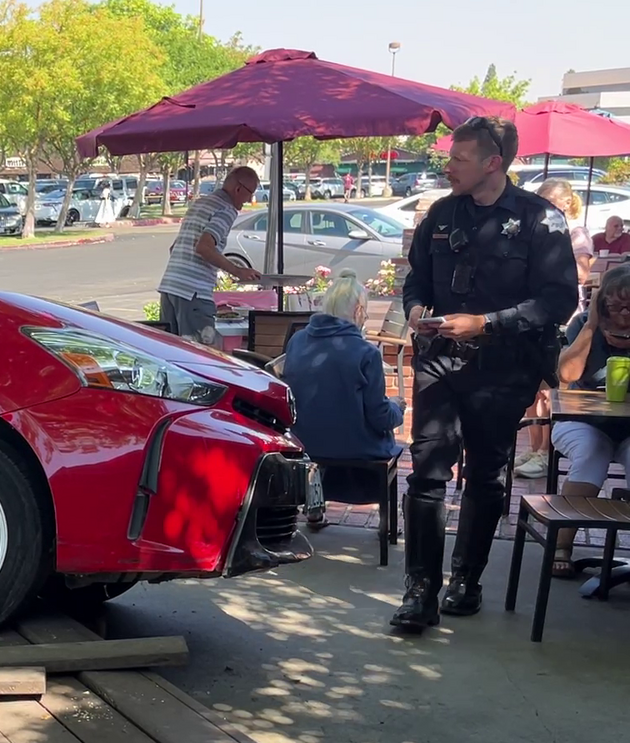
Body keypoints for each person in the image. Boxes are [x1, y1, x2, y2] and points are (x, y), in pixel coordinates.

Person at [391, 116, 579, 634]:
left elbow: (559, 300)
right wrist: (414, 307)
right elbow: (417, 279)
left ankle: (466, 580)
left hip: (503, 369)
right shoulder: (441, 214)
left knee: (486, 476)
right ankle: (420, 590)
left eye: (459, 159)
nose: (448, 166)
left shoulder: (542, 220)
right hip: (438, 362)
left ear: (492, 163)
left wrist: (488, 325)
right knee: (426, 473)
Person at [283, 269, 404, 528]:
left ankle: (315, 508)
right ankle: (385, 523)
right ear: (359, 310)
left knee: (328, 421)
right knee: (383, 433)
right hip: (354, 446)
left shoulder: (297, 341)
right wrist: (399, 409)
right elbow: (379, 416)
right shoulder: (365, 352)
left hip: (305, 442)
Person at [512, 180, 598, 479]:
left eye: (548, 201)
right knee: (532, 389)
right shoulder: (537, 230)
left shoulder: (575, 233)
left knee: (550, 390)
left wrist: (548, 265)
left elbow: (583, 272)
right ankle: (534, 447)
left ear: (564, 203)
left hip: (561, 320)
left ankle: (547, 452)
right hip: (533, 315)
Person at [548, 266, 630, 578]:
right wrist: (591, 326)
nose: (623, 316)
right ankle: (562, 543)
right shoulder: (584, 324)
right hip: (583, 421)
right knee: (591, 454)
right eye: (614, 306)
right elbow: (566, 376)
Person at [156, 165, 261, 345]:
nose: (250, 199)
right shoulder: (226, 210)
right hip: (193, 293)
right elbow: (204, 247)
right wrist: (238, 271)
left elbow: (175, 248)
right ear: (238, 189)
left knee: (171, 353)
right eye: (250, 193)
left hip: (170, 287)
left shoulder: (200, 203)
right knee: (201, 357)